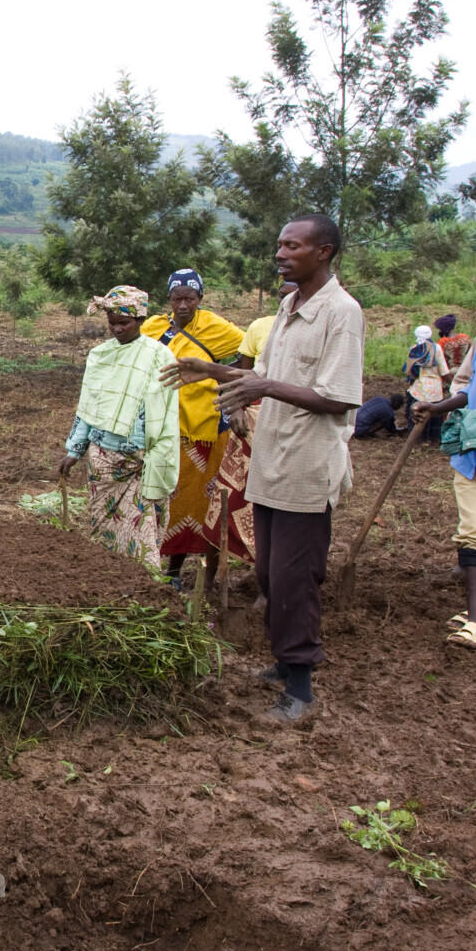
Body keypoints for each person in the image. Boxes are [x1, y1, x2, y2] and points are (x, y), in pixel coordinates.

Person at [162, 214, 364, 725]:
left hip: (306, 466)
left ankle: (301, 688)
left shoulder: (341, 313)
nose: (280, 253)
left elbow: (338, 398)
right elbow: (265, 376)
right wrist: (210, 370)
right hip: (271, 462)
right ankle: (282, 664)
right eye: (279, 244)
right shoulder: (289, 306)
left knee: (295, 578)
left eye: (291, 245)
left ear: (324, 252)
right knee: (272, 573)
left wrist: (263, 388)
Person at [411, 271, 476, 649]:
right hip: (471, 452)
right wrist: (437, 407)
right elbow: (469, 388)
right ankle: (475, 623)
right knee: (474, 534)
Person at [57, 287, 179, 568]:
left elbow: (167, 413)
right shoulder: (99, 355)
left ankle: (143, 582)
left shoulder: (159, 356)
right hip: (103, 460)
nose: (116, 329)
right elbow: (87, 407)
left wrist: (160, 455)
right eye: (111, 323)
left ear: (141, 320)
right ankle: (108, 575)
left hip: (140, 459)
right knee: (104, 524)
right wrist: (74, 451)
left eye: (123, 323)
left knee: (141, 527)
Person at [142, 269, 244, 591]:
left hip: (203, 430)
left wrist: (228, 385)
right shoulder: (154, 327)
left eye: (189, 298)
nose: (183, 304)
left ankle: (200, 574)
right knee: (160, 499)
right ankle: (161, 569)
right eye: (176, 298)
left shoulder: (217, 329)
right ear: (169, 299)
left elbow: (252, 353)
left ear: (200, 298)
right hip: (161, 427)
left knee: (200, 505)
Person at [203, 281, 296, 567]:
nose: (287, 302)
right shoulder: (261, 327)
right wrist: (237, 409)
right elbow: (243, 378)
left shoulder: (322, 328)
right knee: (226, 500)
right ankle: (210, 579)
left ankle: (267, 579)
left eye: (292, 295)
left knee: (276, 508)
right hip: (251, 426)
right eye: (282, 296)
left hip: (293, 430)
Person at [404, 325, 451, 444]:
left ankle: (417, 439)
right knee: (434, 413)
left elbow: (410, 370)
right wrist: (452, 382)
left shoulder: (414, 349)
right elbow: (444, 370)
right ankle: (432, 438)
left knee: (415, 413)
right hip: (435, 388)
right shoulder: (437, 348)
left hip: (419, 388)